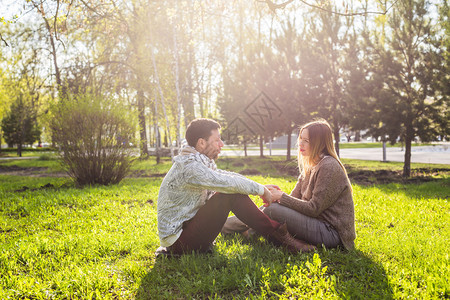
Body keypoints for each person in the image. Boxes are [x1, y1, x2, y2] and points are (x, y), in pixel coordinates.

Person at [156, 118, 315, 257]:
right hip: (180, 244)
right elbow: (226, 182)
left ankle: (279, 236)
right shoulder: (190, 167)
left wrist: (260, 187)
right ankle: (282, 239)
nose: (221, 144)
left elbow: (226, 176)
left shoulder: (196, 161)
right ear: (201, 143)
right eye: (217, 140)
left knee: (232, 192)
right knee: (230, 194)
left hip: (187, 230)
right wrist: (260, 191)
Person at [222, 119, 356, 250]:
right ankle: (222, 226)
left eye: (306, 141)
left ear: (320, 143)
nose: (300, 144)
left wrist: (281, 196)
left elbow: (314, 209)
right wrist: (275, 197)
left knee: (273, 210)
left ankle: (244, 231)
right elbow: (291, 201)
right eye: (300, 139)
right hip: (314, 224)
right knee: (272, 207)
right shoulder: (310, 166)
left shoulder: (329, 166)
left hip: (332, 233)